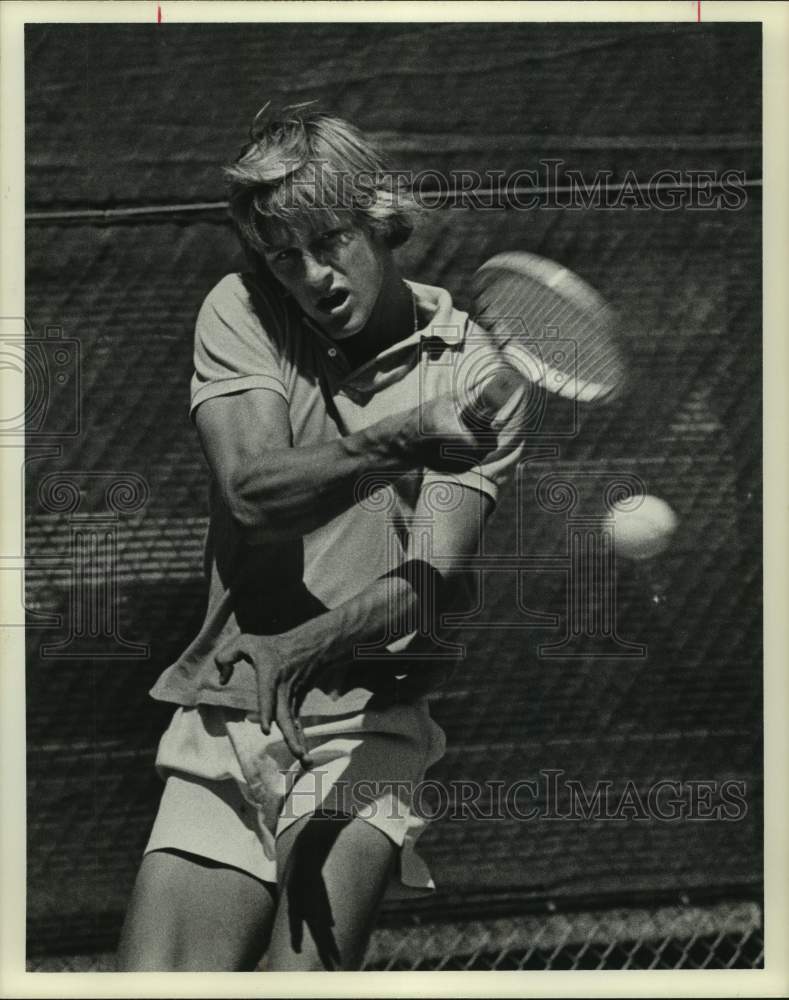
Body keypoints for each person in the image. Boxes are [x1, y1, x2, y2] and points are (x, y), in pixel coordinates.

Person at [117, 107, 525, 972]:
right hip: (227, 711)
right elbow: (255, 493)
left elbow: (432, 580)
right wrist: (400, 437)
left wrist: (303, 646)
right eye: (282, 256)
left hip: (368, 726)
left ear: (377, 220)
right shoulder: (243, 309)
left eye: (329, 240)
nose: (312, 277)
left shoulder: (473, 373)